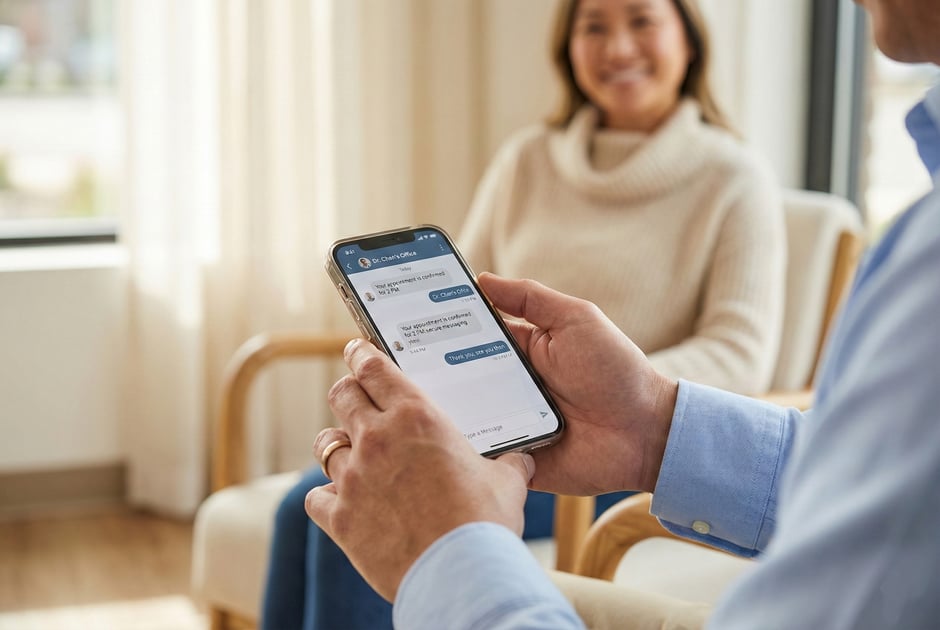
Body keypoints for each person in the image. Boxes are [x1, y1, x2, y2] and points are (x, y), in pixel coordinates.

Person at [304, 0, 940, 626]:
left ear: (688, 41)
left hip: (571, 444)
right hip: (533, 418)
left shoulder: (734, 176)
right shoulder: (526, 160)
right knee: (311, 504)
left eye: (641, 20)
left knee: (345, 518)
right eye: (594, 27)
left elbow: (737, 352)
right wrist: (638, 419)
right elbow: (473, 300)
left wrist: (573, 393)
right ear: (568, 49)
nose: (617, 47)